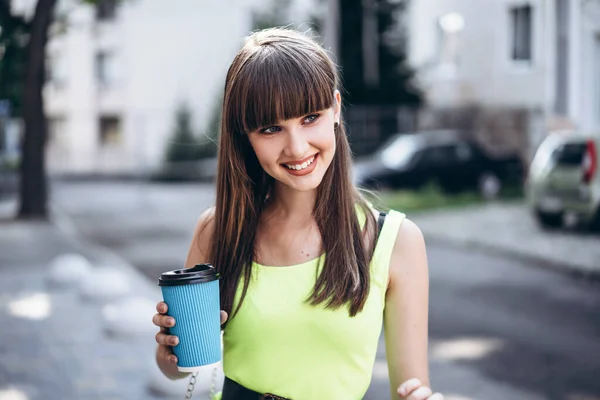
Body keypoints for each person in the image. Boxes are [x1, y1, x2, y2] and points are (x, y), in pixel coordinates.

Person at [152, 27, 444, 400]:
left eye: (310, 118)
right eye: (271, 128)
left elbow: (410, 389)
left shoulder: (396, 242)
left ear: (336, 109)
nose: (297, 147)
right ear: (245, 136)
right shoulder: (218, 230)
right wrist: (168, 350)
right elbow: (180, 369)